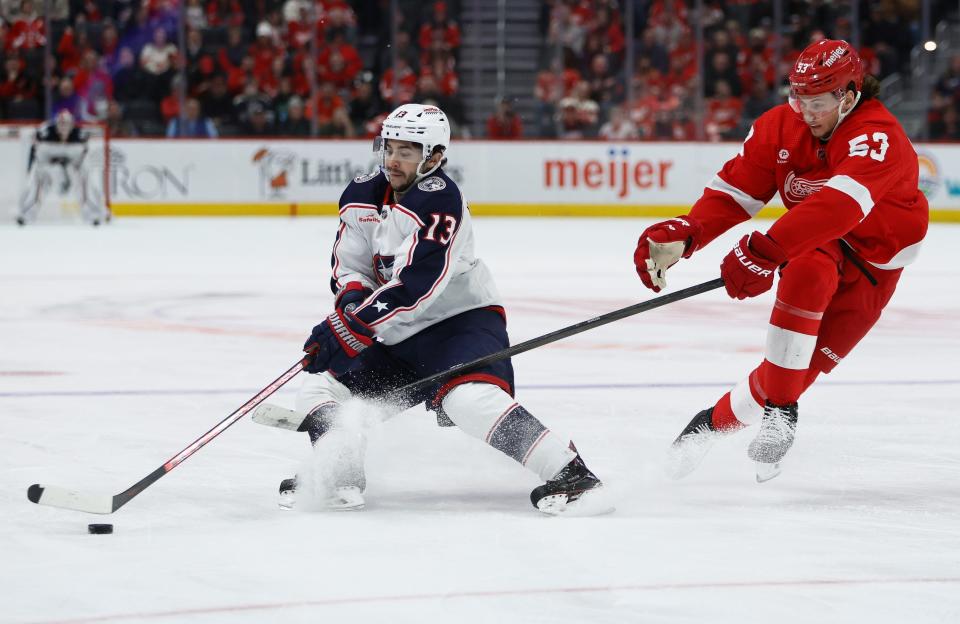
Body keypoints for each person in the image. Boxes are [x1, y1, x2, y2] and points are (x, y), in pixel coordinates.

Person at [266, 103, 610, 515]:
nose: (393, 159)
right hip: (392, 331)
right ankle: (339, 472)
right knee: (322, 385)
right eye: (389, 147)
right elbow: (350, 264)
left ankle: (572, 474)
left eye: (407, 151)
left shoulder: (439, 200)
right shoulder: (361, 192)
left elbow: (418, 285)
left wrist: (353, 324)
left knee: (468, 400)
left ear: (434, 156)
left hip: (458, 324)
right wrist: (352, 306)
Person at [632, 40, 928, 481]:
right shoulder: (779, 127)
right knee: (805, 268)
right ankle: (782, 416)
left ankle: (709, 423)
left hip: (875, 266)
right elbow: (736, 192)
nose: (806, 113)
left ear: (848, 97)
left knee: (793, 370)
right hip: (815, 243)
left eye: (819, 102)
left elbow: (839, 208)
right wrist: (690, 232)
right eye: (799, 99)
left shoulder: (877, 136)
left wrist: (763, 251)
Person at [16, 110, 109, 226]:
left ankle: (94, 214)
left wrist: (76, 168)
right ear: (56, 124)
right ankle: (25, 214)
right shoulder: (44, 133)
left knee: (86, 179)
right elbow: (34, 149)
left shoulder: (80, 135)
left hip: (73, 165)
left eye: (67, 124)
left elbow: (85, 155)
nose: (64, 127)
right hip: (48, 165)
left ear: (72, 124)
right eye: (61, 124)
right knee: (38, 181)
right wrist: (31, 167)